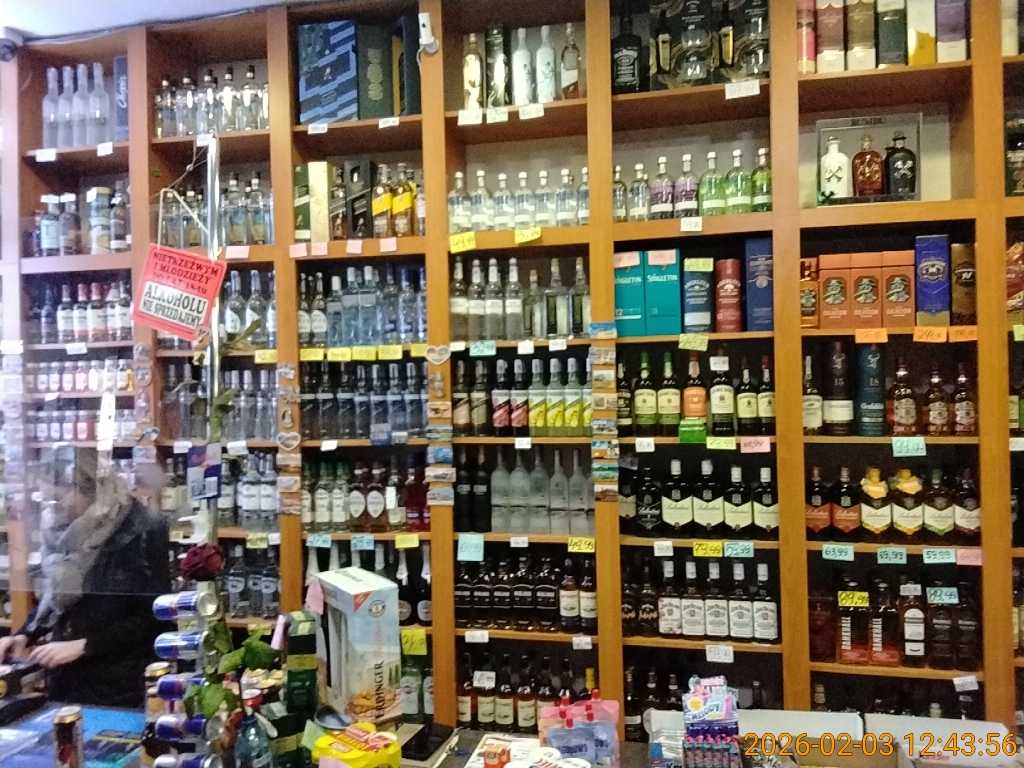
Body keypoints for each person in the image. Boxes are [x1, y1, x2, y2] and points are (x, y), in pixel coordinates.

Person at [0, 446, 170, 706]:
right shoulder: (59, 529)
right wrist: (25, 634)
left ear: (89, 488)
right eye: (47, 501)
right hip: (66, 682)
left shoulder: (142, 528)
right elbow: (57, 598)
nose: (55, 509)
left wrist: (85, 646)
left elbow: (154, 617)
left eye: (59, 499)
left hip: (122, 686)